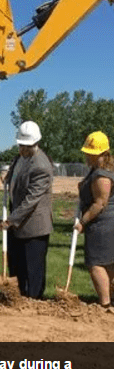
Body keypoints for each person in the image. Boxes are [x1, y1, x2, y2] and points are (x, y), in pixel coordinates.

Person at [0, 121, 53, 299]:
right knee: (16, 266)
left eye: (26, 146)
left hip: (34, 227)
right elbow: (14, 179)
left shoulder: (41, 166)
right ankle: (18, 298)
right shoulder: (18, 158)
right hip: (17, 225)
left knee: (33, 270)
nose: (23, 149)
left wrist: (11, 220)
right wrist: (7, 179)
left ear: (35, 143)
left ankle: (34, 301)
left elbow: (31, 200)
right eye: (21, 145)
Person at [74, 131, 114, 309]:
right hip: (104, 224)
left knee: (96, 263)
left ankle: (105, 303)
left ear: (101, 154)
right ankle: (109, 300)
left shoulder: (101, 175)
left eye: (90, 153)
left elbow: (100, 203)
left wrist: (82, 222)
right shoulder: (99, 171)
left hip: (103, 225)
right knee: (107, 262)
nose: (87, 155)